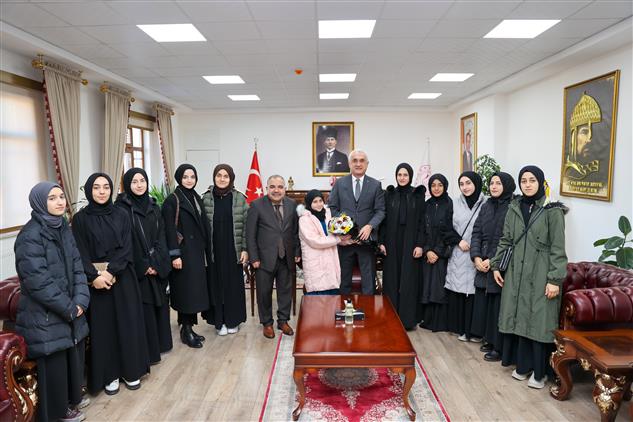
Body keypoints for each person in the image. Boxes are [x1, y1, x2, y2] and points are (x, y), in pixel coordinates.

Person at [14, 182, 90, 422]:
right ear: (39, 202)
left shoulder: (63, 228)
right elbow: (38, 282)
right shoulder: (30, 236)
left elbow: (78, 267)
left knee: (71, 359)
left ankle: (70, 400)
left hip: (70, 309)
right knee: (54, 365)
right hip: (45, 315)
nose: (59, 202)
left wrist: (80, 300)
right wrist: (69, 307)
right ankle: (58, 412)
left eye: (61, 197)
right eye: (52, 198)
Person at [72, 173, 149, 395]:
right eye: (96, 187)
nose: (102, 191)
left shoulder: (122, 214)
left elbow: (127, 247)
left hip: (123, 278)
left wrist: (111, 272)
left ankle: (130, 371)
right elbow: (80, 253)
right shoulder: (80, 219)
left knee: (128, 325)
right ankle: (110, 375)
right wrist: (95, 276)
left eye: (106, 187)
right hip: (96, 283)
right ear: (89, 191)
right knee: (104, 330)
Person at [491, 165, 568, 389]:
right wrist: (497, 266)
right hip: (517, 271)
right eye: (523, 180)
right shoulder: (515, 207)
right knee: (521, 318)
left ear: (540, 182)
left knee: (539, 323)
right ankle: (523, 367)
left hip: (542, 271)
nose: (527, 184)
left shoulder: (552, 210)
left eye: (532, 180)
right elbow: (506, 240)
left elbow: (558, 248)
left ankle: (540, 372)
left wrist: (554, 279)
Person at [115, 168, 173, 364]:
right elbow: (125, 242)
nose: (139, 185)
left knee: (160, 305)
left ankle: (162, 344)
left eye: (142, 181)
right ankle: (149, 351)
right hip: (137, 268)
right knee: (145, 308)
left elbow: (161, 236)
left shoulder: (154, 205)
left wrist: (157, 262)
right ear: (127, 185)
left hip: (157, 264)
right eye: (134, 182)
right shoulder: (121, 209)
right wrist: (144, 265)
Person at [162, 164, 212, 348]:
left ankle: (190, 327)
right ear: (178, 178)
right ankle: (186, 330)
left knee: (193, 293)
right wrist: (174, 255)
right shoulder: (172, 200)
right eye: (185, 177)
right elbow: (168, 230)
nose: (189, 180)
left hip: (196, 253)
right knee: (186, 293)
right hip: (182, 255)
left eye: (192, 176)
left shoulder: (195, 197)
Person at [246, 175, 301, 339]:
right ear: (267, 188)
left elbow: (296, 232)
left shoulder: (292, 205)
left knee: (285, 291)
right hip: (263, 258)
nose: (276, 190)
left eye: (280, 186)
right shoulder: (256, 205)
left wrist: (297, 252)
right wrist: (253, 257)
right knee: (264, 292)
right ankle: (267, 323)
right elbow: (250, 234)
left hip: (287, 257)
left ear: (285, 188)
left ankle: (282, 320)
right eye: (273, 187)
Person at [470, 172, 516, 362]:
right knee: (486, 305)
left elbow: (509, 240)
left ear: (506, 185)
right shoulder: (486, 205)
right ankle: (489, 339)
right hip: (483, 263)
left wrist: (493, 260)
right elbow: (477, 232)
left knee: (499, 306)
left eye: (498, 183)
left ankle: (499, 346)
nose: (494, 186)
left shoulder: (513, 207)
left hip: (501, 266)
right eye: (492, 183)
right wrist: (476, 257)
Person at [328, 150, 385, 294]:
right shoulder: (340, 184)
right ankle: (343, 313)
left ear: (367, 164)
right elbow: (333, 208)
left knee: (368, 285)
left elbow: (380, 211)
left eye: (361, 160)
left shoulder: (375, 185)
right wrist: (344, 228)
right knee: (343, 282)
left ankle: (369, 315)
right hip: (346, 242)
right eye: (355, 160)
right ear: (349, 163)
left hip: (366, 242)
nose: (358, 164)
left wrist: (370, 226)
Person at [201, 164, 248, 335]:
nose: (222, 179)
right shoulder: (205, 198)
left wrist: (245, 249)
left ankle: (233, 320)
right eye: (219, 175)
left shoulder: (240, 198)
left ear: (231, 178)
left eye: (226, 176)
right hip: (213, 251)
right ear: (214, 177)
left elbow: (246, 227)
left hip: (233, 250)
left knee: (232, 286)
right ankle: (219, 321)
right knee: (216, 285)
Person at [379, 163, 426, 329]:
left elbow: (422, 222)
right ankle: (390, 318)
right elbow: (383, 221)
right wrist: (382, 242)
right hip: (392, 242)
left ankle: (407, 320)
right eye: (399, 174)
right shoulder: (389, 195)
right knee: (391, 279)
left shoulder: (418, 196)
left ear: (410, 176)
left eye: (405, 175)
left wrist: (420, 244)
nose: (402, 178)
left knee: (408, 280)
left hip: (411, 243)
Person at [445, 172, 486, 341]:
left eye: (468, 183)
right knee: (459, 293)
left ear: (476, 183)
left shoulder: (486, 203)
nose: (465, 187)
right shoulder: (454, 203)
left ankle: (475, 332)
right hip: (459, 252)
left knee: (476, 294)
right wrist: (458, 241)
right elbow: (446, 227)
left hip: (478, 254)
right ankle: (461, 329)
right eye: (461, 184)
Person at [419, 174, 456, 332]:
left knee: (439, 287)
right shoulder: (426, 205)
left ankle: (440, 322)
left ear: (445, 186)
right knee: (427, 285)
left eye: (440, 185)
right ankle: (428, 320)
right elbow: (422, 230)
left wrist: (437, 252)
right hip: (428, 252)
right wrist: (427, 250)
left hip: (442, 253)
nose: (436, 188)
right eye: (433, 185)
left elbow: (449, 230)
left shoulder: (450, 204)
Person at [298, 189, 352, 295]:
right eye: (315, 202)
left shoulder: (327, 215)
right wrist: (338, 240)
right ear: (309, 203)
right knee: (317, 300)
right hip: (315, 262)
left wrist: (344, 241)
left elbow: (331, 236)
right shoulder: (304, 219)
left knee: (332, 300)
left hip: (330, 261)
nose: (318, 204)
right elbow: (315, 241)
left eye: (320, 201)